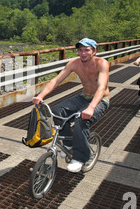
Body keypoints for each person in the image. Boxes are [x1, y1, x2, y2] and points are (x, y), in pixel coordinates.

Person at [32, 38, 110, 173]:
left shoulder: (102, 63)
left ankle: (80, 158)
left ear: (94, 51)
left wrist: (91, 107)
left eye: (87, 50)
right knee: (56, 112)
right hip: (83, 97)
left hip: (100, 100)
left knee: (81, 119)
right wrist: (41, 96)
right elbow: (56, 80)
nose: (83, 53)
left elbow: (102, 87)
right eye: (80, 50)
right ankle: (68, 144)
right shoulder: (74, 64)